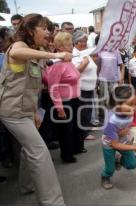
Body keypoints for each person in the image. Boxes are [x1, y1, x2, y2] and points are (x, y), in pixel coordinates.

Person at [0, 13, 70, 206]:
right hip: (11, 110)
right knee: (39, 151)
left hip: (26, 110)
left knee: (28, 149)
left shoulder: (36, 51)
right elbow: (15, 53)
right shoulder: (19, 46)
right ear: (30, 30)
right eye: (43, 28)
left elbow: (33, 86)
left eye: (48, 28)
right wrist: (54, 54)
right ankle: (53, 202)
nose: (47, 32)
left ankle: (26, 186)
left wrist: (34, 112)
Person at [45, 31, 86, 163]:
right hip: (64, 102)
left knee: (75, 126)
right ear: (60, 47)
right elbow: (53, 88)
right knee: (66, 130)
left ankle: (76, 148)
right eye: (68, 44)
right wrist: (59, 108)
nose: (71, 45)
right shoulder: (56, 65)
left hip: (74, 99)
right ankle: (67, 155)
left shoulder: (67, 61)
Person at [100, 85, 136, 189]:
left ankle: (118, 159)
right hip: (110, 144)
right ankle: (105, 176)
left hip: (124, 139)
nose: (135, 108)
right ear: (117, 104)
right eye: (130, 104)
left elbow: (129, 123)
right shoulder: (111, 120)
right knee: (110, 168)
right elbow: (115, 145)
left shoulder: (128, 110)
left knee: (132, 164)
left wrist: (127, 129)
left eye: (135, 104)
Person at [72, 30, 98, 140]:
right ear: (75, 42)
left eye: (85, 41)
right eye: (81, 42)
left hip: (89, 87)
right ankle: (83, 133)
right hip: (81, 88)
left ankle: (86, 128)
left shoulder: (85, 52)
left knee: (87, 109)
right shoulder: (74, 54)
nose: (84, 43)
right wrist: (84, 63)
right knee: (83, 110)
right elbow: (75, 71)